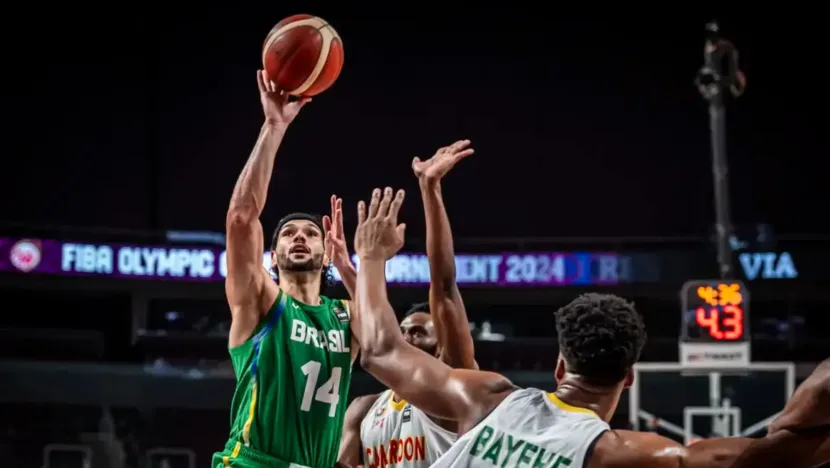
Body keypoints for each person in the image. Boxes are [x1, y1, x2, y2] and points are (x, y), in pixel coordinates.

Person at [350, 186, 830, 468]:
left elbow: (378, 350)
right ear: (629, 377)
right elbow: (782, 452)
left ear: (560, 365)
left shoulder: (487, 398)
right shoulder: (620, 453)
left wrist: (371, 260)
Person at [212, 70, 360, 468]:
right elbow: (241, 219)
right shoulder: (262, 301)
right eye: (288, 233)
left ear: (325, 252)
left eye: (311, 233)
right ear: (272, 256)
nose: (299, 237)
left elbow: (386, 342)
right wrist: (274, 125)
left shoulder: (345, 315)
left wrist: (348, 268)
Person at [336, 141, 476, 468]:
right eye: (404, 332)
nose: (408, 339)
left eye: (419, 334)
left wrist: (430, 188)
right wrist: (347, 267)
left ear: (442, 349)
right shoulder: (363, 409)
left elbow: (443, 287)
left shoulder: (453, 392)